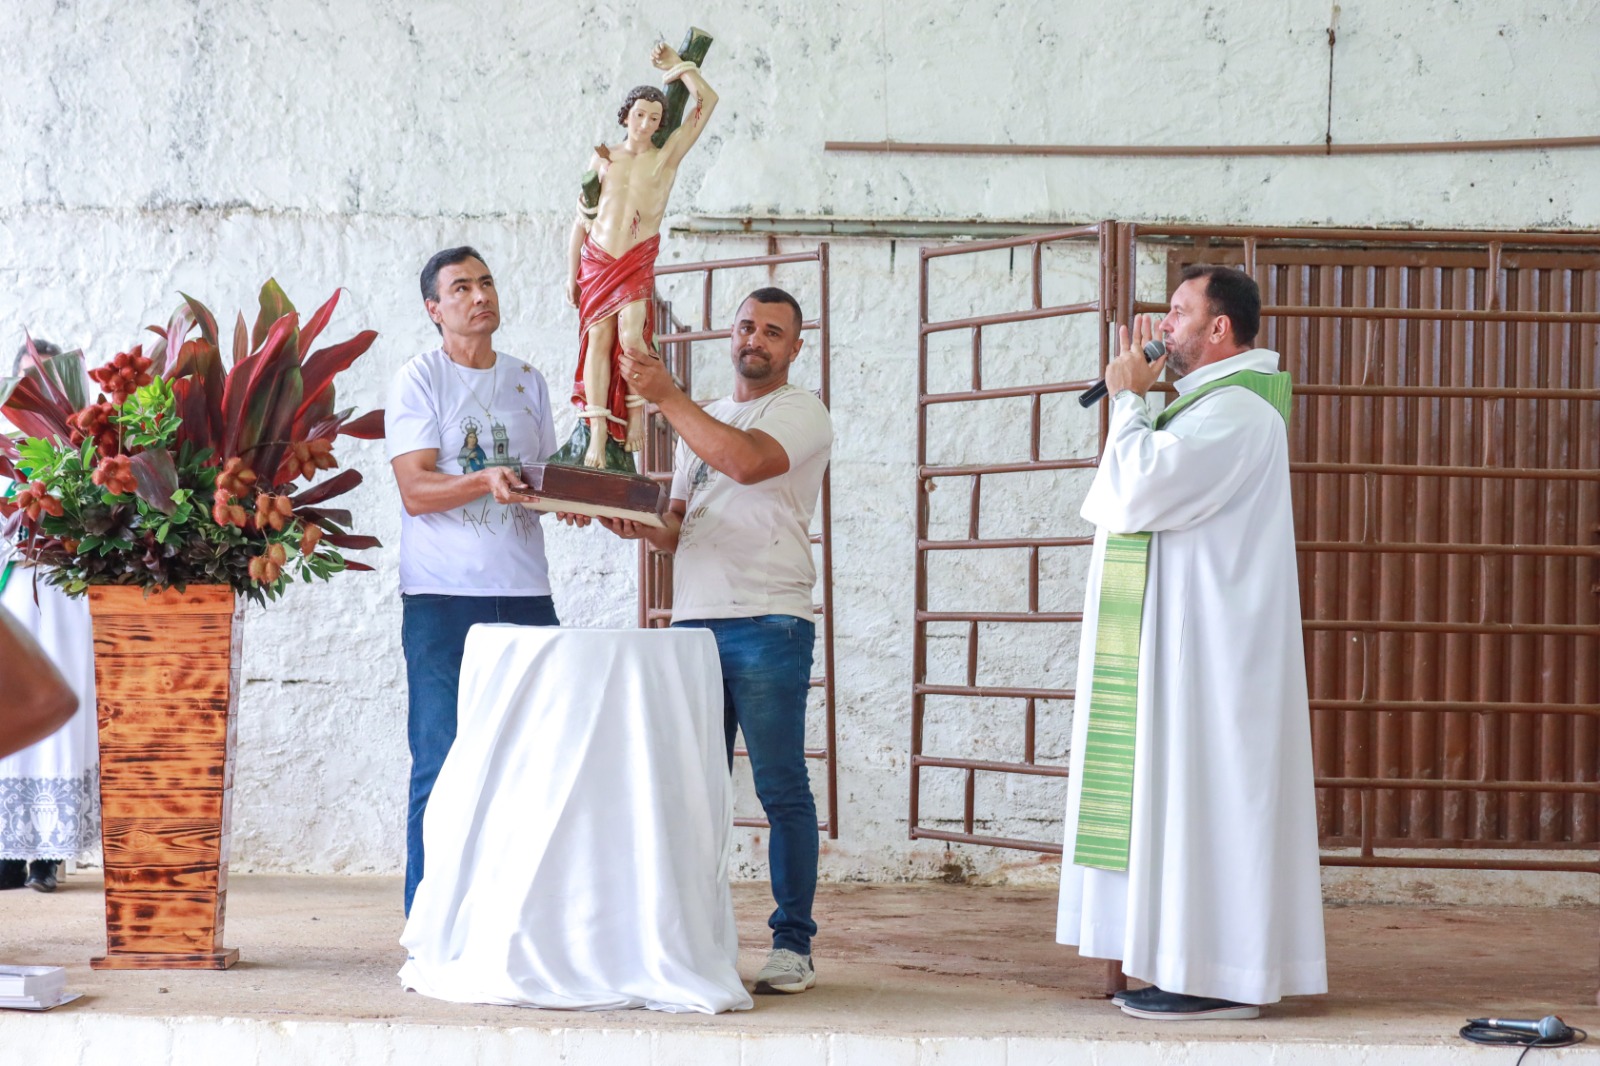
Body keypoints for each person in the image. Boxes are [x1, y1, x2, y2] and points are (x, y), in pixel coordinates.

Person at [1057, 265, 1326, 1019]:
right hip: (1180, 657)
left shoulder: (1238, 410)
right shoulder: (1205, 406)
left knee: (1207, 807)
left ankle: (1219, 978)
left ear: (1220, 328)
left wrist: (1127, 398)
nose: (1162, 327)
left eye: (1177, 313)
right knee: (1175, 807)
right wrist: (1138, 403)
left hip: (1211, 663)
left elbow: (1138, 490)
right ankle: (1170, 960)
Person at [600, 287, 832, 995]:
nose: (755, 339)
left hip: (767, 620)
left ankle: (793, 945)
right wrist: (634, 522)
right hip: (695, 624)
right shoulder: (703, 420)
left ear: (795, 348)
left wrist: (667, 397)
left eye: (773, 331)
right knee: (694, 792)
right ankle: (693, 941)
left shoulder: (800, 410)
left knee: (780, 787)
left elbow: (748, 464)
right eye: (746, 326)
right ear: (730, 336)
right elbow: (679, 524)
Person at [387, 246, 562, 915]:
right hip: (442, 599)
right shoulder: (419, 379)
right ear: (434, 308)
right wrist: (484, 479)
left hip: (526, 594)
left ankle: (515, 921)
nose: (479, 295)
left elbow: (539, 484)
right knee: (441, 761)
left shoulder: (527, 381)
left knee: (534, 762)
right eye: (460, 287)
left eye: (486, 282)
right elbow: (415, 490)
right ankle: (428, 924)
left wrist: (587, 502)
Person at [563, 40, 717, 468]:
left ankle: (634, 415)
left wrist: (679, 66)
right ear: (625, 116)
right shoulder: (603, 158)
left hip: (633, 261)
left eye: (654, 118)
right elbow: (581, 220)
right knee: (598, 340)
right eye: (639, 115)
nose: (645, 123)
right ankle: (597, 433)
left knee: (632, 339)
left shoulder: (666, 158)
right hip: (597, 260)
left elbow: (707, 101)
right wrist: (570, 273)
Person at [1, 340, 100, 893]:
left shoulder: (83, 451)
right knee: (10, 705)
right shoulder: (4, 455)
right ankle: (8, 851)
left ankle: (48, 855)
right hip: (14, 592)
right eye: (24, 380)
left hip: (63, 596)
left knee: (55, 705)